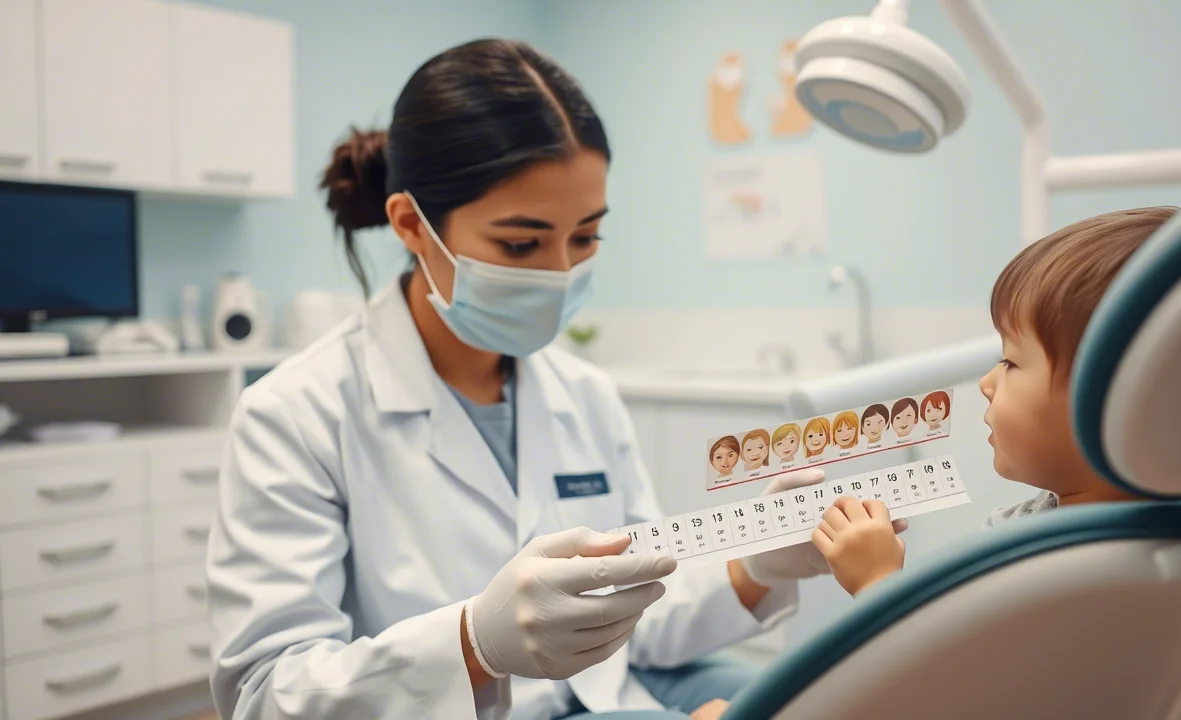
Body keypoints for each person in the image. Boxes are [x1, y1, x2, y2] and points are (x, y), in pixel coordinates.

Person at [206, 39, 838, 720]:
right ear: (413, 225)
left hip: (604, 693)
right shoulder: (295, 415)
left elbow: (636, 609)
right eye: (520, 244)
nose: (560, 272)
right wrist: (473, 645)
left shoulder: (584, 396)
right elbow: (265, 694)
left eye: (586, 237)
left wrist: (756, 567)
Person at [693, 206, 1180, 720]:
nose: (988, 382)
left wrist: (879, 582)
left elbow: (948, 695)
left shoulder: (1054, 566)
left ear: (1113, 400)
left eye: (1011, 362)